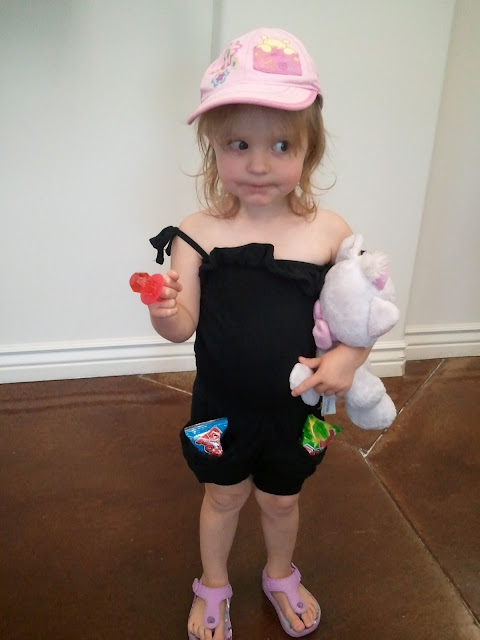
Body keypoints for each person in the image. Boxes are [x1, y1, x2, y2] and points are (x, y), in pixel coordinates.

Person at [147, 27, 370, 640]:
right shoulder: (197, 231)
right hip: (221, 410)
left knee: (281, 500)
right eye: (239, 144)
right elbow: (181, 326)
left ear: (310, 150)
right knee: (222, 498)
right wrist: (164, 311)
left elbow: (365, 312)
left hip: (296, 410)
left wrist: (350, 356)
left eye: (281, 145)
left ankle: (278, 574)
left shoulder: (330, 231)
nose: (259, 163)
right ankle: (213, 583)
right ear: (213, 148)